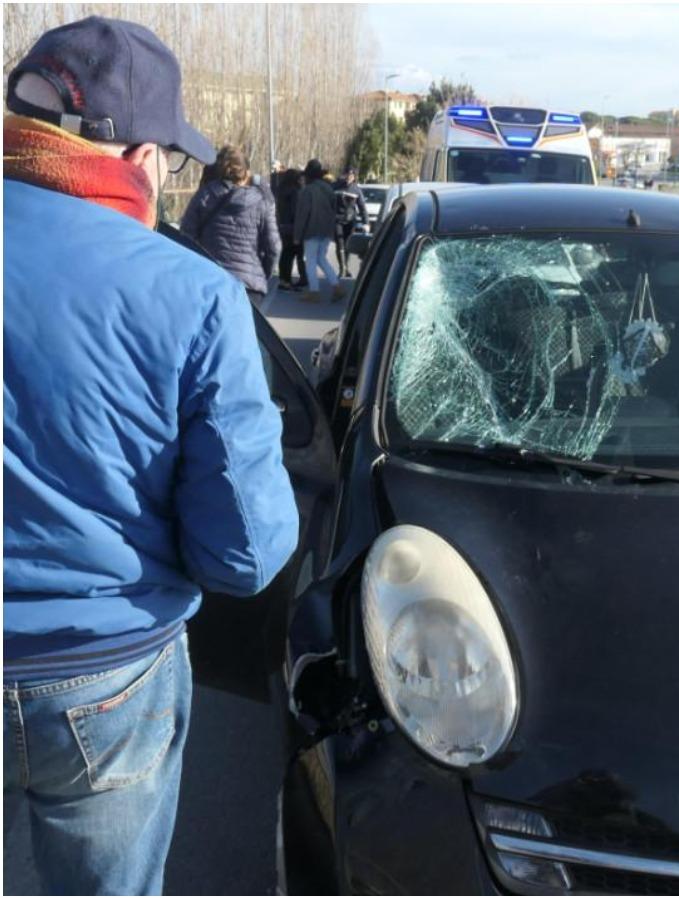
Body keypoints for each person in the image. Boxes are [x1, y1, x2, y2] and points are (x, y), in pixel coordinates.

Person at [2, 17, 298, 894]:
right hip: (104, 676)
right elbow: (245, 556)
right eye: (170, 155)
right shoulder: (196, 295)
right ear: (135, 153)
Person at [180, 144, 280, 307]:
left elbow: (186, 237)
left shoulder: (204, 196)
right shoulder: (260, 201)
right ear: (245, 171)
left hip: (211, 281)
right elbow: (273, 247)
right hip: (250, 287)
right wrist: (262, 273)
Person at [294, 157, 341, 301]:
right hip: (326, 230)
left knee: (311, 261)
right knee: (321, 259)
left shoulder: (307, 191)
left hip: (311, 230)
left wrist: (297, 235)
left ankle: (314, 291)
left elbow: (302, 215)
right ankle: (337, 286)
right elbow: (334, 210)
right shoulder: (329, 189)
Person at [333, 165, 368, 277]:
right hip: (337, 219)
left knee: (347, 244)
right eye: (347, 174)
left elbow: (362, 207)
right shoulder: (336, 187)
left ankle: (346, 267)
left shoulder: (356, 190)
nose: (349, 177)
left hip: (350, 220)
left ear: (354, 177)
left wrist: (366, 222)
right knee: (340, 244)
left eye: (351, 175)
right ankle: (342, 268)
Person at [275, 166, 306, 290]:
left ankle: (284, 280)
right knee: (295, 253)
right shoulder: (295, 192)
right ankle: (292, 280)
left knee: (285, 254)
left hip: (283, 226)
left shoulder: (280, 190)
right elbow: (296, 211)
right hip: (294, 227)